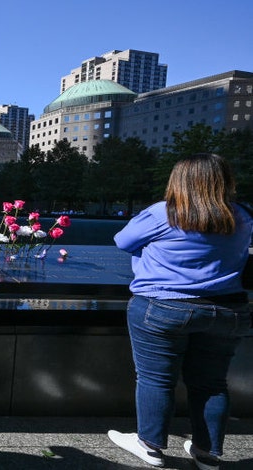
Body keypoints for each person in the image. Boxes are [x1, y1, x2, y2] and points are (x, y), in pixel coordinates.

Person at [108, 153, 253, 469]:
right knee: (212, 383)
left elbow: (122, 240)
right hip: (227, 310)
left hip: (163, 308)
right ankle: (207, 454)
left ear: (178, 181)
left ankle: (150, 446)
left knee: (156, 379)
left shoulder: (163, 213)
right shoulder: (243, 216)